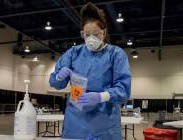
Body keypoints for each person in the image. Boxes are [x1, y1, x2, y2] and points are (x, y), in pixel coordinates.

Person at [49, 2, 131, 140]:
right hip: (75, 123)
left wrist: (100, 97)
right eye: (87, 35)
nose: (91, 38)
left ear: (104, 33)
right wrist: (59, 77)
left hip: (105, 122)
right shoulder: (73, 53)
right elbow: (55, 83)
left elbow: (123, 90)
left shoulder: (116, 54)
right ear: (82, 34)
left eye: (96, 34)